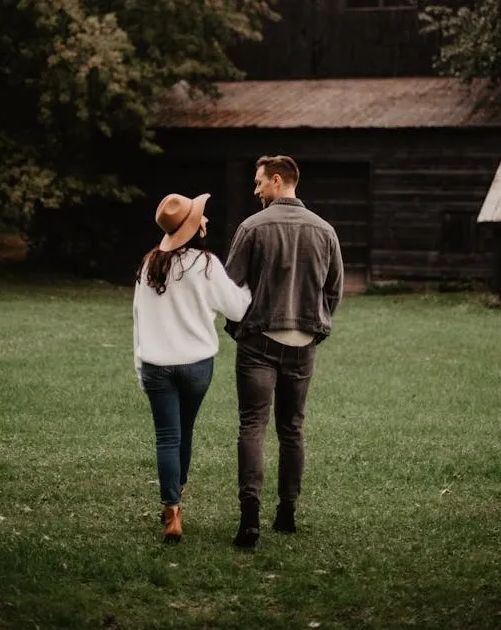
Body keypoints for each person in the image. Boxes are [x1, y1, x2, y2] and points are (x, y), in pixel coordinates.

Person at [224, 155, 344, 549]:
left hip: (258, 341)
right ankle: (287, 513)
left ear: (277, 180)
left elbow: (229, 288)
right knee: (292, 429)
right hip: (302, 344)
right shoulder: (325, 230)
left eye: (259, 182)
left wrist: (239, 328)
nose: (255, 190)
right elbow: (334, 290)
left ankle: (250, 519)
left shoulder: (252, 227)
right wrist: (313, 327)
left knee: (252, 426)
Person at [133, 192, 252, 543]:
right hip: (196, 365)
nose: (206, 220)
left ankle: (172, 511)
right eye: (201, 217)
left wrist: (139, 366)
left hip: (155, 364)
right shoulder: (206, 264)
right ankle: (177, 492)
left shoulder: (149, 265)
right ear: (193, 227)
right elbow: (237, 309)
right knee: (184, 432)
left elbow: (138, 320)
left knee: (167, 437)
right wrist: (249, 286)